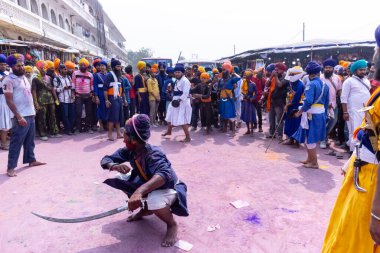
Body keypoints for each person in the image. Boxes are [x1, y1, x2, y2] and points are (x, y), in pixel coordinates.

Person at [100, 114, 188, 247]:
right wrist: (113, 166)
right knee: (121, 179)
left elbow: (164, 174)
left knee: (154, 200)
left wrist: (139, 192)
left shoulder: (154, 153)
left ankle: (172, 224)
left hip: (169, 188)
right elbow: (105, 160)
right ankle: (145, 209)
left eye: (125, 134)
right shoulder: (129, 150)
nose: (123, 139)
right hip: (148, 185)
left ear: (133, 139)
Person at [322, 86, 380, 253]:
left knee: (359, 239)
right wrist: (352, 160)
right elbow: (369, 131)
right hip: (363, 174)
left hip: (373, 186)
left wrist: (376, 213)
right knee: (346, 230)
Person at [3, 54, 46, 177]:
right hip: (20, 116)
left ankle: (31, 160)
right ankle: (10, 167)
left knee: (30, 141)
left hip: (30, 113)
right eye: (18, 65)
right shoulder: (8, 80)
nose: (21, 67)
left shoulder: (24, 77)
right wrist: (19, 116)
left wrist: (33, 109)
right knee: (16, 142)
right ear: (12, 66)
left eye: (22, 65)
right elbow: (9, 101)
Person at [293, 61, 329, 169]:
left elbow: (308, 101)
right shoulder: (324, 84)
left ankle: (314, 163)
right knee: (309, 138)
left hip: (311, 114)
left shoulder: (311, 84)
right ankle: (310, 159)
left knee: (310, 138)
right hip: (320, 114)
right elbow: (326, 102)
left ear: (309, 74)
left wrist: (299, 112)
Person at [341, 59, 371, 152]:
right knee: (354, 131)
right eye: (360, 70)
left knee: (362, 131)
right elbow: (343, 98)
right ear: (355, 70)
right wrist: (345, 112)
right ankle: (353, 152)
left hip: (365, 111)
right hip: (353, 111)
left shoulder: (366, 80)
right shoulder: (349, 81)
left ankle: (359, 152)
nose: (363, 71)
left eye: (364, 69)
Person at [163, 63, 192, 142]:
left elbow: (185, 93)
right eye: (176, 72)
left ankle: (188, 137)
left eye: (178, 72)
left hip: (182, 102)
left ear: (182, 73)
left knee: (182, 120)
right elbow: (176, 91)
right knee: (169, 116)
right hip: (175, 100)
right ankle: (169, 131)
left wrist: (178, 101)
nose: (177, 73)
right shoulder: (176, 80)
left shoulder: (185, 81)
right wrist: (170, 90)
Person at [32, 61, 61, 140]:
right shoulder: (35, 79)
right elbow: (33, 91)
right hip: (41, 100)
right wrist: (35, 102)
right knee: (42, 117)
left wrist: (56, 99)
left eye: (45, 68)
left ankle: (54, 132)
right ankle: (42, 133)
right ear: (38, 69)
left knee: (53, 116)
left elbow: (52, 89)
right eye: (41, 68)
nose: (43, 70)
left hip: (50, 99)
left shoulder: (49, 78)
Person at [320, 59, 342, 149]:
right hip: (322, 104)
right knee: (323, 122)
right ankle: (323, 140)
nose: (328, 69)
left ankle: (324, 137)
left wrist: (342, 101)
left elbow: (339, 90)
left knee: (333, 121)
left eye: (329, 68)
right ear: (324, 68)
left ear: (333, 68)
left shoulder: (337, 78)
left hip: (334, 104)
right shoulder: (320, 78)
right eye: (326, 68)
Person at [265, 62, 289, 141]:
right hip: (272, 101)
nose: (276, 71)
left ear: (282, 70)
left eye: (277, 70)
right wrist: (272, 76)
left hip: (280, 102)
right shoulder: (273, 78)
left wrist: (275, 76)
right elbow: (267, 84)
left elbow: (280, 85)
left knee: (279, 120)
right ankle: (272, 133)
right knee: (271, 119)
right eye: (275, 70)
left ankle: (279, 135)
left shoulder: (285, 79)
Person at [283, 66, 305, 146]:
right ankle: (290, 140)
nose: (291, 76)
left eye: (293, 75)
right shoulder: (291, 83)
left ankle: (297, 141)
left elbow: (296, 99)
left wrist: (287, 105)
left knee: (296, 123)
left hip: (297, 107)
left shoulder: (300, 85)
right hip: (290, 106)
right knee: (289, 123)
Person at [218, 62, 241, 137]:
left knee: (231, 115)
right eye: (223, 70)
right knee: (224, 115)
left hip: (229, 100)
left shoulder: (231, 79)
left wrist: (233, 73)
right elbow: (218, 88)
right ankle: (225, 128)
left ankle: (233, 131)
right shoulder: (221, 80)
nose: (223, 71)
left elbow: (239, 78)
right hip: (222, 100)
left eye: (225, 70)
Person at [104, 59, 125, 141]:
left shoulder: (120, 77)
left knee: (119, 116)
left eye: (120, 66)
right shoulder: (109, 75)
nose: (119, 68)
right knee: (112, 116)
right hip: (112, 98)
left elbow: (121, 89)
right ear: (113, 67)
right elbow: (105, 89)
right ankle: (109, 134)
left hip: (119, 98)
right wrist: (106, 100)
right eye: (117, 66)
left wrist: (124, 99)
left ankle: (119, 133)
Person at [72, 58, 94, 134]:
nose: (82, 66)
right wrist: (73, 94)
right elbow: (73, 84)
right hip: (78, 95)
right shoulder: (75, 73)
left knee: (89, 112)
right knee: (78, 112)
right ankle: (78, 128)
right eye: (81, 65)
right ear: (79, 65)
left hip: (88, 96)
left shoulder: (90, 75)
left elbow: (91, 85)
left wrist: (92, 94)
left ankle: (88, 128)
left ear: (87, 66)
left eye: (84, 65)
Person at [53, 64, 75, 135]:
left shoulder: (69, 77)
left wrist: (72, 94)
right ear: (60, 70)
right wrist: (63, 88)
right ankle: (67, 129)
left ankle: (70, 128)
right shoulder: (56, 79)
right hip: (62, 100)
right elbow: (55, 89)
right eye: (64, 69)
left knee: (71, 114)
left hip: (70, 99)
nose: (66, 70)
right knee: (65, 115)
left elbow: (71, 87)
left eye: (66, 69)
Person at [240, 69, 258, 136]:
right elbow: (241, 91)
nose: (246, 78)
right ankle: (248, 130)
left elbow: (256, 93)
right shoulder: (243, 83)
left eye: (248, 77)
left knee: (251, 116)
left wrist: (252, 98)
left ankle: (252, 131)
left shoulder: (253, 84)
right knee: (246, 116)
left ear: (250, 77)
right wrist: (244, 96)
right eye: (245, 77)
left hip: (250, 102)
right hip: (245, 101)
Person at [93, 60, 108, 132]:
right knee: (100, 109)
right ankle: (101, 125)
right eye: (100, 66)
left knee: (107, 109)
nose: (101, 67)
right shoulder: (96, 75)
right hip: (100, 93)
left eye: (103, 65)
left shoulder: (109, 75)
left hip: (107, 94)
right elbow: (95, 86)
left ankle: (106, 124)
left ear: (106, 67)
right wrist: (96, 96)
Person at [0, 54, 11, 150]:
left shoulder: (8, 73)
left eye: (4, 64)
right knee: (3, 122)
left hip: (8, 99)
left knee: (7, 121)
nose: (3, 66)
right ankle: (3, 143)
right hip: (1, 99)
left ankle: (5, 140)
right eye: (1, 64)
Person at [251, 68, 265, 132]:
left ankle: (260, 126)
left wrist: (261, 99)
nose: (258, 79)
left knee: (259, 113)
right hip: (253, 98)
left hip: (259, 98)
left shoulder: (264, 80)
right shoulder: (253, 79)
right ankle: (255, 124)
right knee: (253, 112)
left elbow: (264, 91)